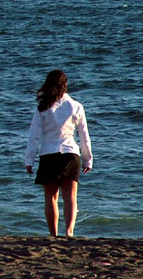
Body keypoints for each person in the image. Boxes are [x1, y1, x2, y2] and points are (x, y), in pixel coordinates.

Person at [24, 69, 92, 237]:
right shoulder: (76, 106)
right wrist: (88, 159)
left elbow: (34, 136)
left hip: (48, 154)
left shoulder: (43, 108)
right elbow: (84, 136)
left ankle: (53, 235)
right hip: (70, 154)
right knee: (70, 198)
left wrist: (29, 159)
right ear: (65, 86)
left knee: (51, 197)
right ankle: (69, 233)